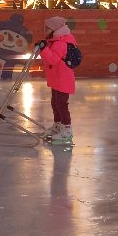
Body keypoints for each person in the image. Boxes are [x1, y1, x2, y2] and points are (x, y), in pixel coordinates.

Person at [39, 15, 78, 146]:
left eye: (47, 28)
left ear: (55, 29)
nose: (45, 30)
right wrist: (44, 47)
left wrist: (43, 49)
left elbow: (52, 59)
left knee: (61, 104)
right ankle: (58, 125)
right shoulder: (54, 41)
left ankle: (67, 129)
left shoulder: (61, 43)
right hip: (57, 78)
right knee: (55, 103)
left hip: (62, 79)